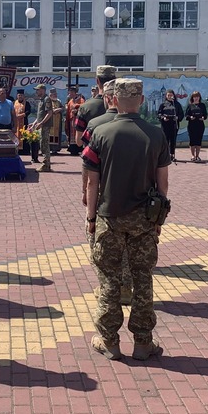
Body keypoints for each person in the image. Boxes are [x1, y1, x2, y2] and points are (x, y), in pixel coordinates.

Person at [83, 78, 171, 361]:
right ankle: (143, 342)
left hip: (109, 217)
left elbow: (92, 182)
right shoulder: (156, 135)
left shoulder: (100, 133)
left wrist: (91, 218)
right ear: (141, 100)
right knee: (143, 278)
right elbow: (163, 183)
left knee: (109, 278)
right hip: (144, 218)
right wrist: (159, 220)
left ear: (113, 100)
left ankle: (109, 341)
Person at [81, 79, 133, 306]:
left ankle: (107, 287)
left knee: (98, 241)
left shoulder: (95, 125)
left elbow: (88, 166)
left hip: (104, 194)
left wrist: (85, 193)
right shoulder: (142, 127)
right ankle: (126, 288)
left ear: (108, 98)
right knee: (128, 244)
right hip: (134, 195)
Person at [75, 65, 117, 147]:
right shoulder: (123, 106)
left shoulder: (85, 107)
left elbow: (79, 142)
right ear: (115, 80)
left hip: (92, 153)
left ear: (97, 81)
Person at [29, 83, 53, 172]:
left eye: (38, 90)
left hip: (45, 126)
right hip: (41, 125)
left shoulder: (47, 99)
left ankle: (46, 165)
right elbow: (40, 115)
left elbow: (49, 113)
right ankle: (46, 164)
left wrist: (42, 123)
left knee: (44, 145)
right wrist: (34, 123)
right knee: (42, 144)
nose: (36, 92)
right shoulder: (41, 100)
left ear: (42, 90)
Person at [157, 89, 184, 162]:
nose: (170, 96)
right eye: (168, 95)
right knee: (165, 140)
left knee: (173, 140)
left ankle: (172, 154)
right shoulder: (163, 104)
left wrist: (177, 117)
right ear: (166, 96)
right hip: (165, 125)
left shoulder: (177, 104)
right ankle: (165, 155)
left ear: (173, 96)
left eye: (171, 95)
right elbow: (159, 114)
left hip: (174, 125)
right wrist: (163, 117)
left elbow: (181, 114)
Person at [185, 91, 208, 161]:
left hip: (200, 125)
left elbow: (205, 115)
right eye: (194, 97)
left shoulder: (202, 105)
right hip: (191, 125)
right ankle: (193, 155)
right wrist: (190, 117)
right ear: (192, 98)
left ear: (199, 97)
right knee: (192, 141)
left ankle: (197, 156)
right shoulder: (190, 105)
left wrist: (203, 117)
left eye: (197, 96)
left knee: (198, 141)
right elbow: (186, 116)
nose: (196, 98)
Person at [66, 85, 86, 155]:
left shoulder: (81, 100)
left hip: (78, 119)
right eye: (69, 92)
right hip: (72, 120)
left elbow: (83, 108)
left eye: (71, 92)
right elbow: (68, 111)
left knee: (78, 133)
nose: (70, 94)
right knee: (72, 135)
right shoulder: (70, 101)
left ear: (75, 92)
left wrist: (77, 111)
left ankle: (79, 148)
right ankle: (72, 148)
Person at [48, 87, 64, 154]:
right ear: (50, 95)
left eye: (56, 94)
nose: (55, 95)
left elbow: (62, 108)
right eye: (54, 94)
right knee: (50, 134)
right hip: (50, 121)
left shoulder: (58, 101)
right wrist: (53, 111)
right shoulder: (48, 101)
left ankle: (55, 149)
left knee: (57, 134)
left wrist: (59, 109)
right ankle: (49, 148)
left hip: (57, 121)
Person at [13, 89, 29, 154]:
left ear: (23, 96)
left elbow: (28, 111)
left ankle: (24, 151)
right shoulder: (14, 103)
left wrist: (22, 115)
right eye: (19, 95)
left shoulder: (26, 103)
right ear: (17, 96)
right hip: (15, 122)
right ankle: (16, 150)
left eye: (21, 95)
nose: (20, 96)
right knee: (15, 135)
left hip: (23, 122)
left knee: (24, 135)